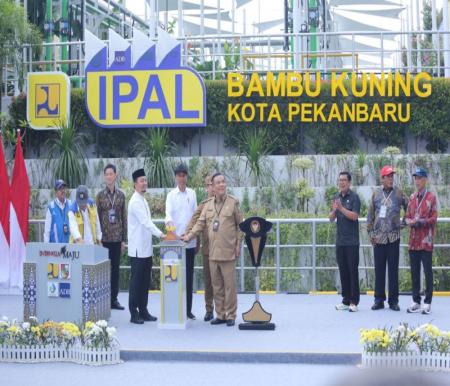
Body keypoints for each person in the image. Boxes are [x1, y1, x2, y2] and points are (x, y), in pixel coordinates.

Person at [181, 173, 243, 327]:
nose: (221, 185)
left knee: (229, 286)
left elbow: (240, 226)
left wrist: (238, 245)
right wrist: (188, 236)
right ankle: (220, 314)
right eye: (218, 183)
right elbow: (200, 224)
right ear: (213, 187)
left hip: (228, 252)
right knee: (216, 286)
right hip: (213, 253)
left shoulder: (233, 203)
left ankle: (231, 315)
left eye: (223, 182)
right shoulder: (207, 206)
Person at [367, 165, 408, 311]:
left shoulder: (399, 193)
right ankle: (379, 300)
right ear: (382, 178)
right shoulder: (376, 194)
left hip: (393, 237)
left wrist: (403, 223)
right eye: (388, 176)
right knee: (379, 271)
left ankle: (393, 301)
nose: (391, 179)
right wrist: (371, 234)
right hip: (378, 238)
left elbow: (409, 207)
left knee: (393, 270)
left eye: (392, 176)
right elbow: (370, 216)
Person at [128, 168, 165, 324]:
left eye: (145, 180)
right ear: (135, 184)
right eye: (141, 181)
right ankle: (133, 313)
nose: (144, 183)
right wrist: (162, 235)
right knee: (136, 283)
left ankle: (143, 310)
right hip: (137, 250)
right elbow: (146, 223)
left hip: (146, 249)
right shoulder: (135, 201)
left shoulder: (143, 199)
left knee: (144, 282)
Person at [165, 163, 198, 320]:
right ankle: (176, 309)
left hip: (190, 241)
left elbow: (196, 216)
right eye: (178, 175)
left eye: (183, 175)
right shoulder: (171, 195)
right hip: (175, 244)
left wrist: (194, 237)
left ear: (186, 176)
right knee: (175, 277)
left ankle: (188, 310)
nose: (181, 178)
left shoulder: (192, 193)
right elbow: (168, 215)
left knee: (189, 277)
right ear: (176, 177)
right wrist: (172, 229)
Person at [405, 167, 438, 315]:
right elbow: (407, 216)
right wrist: (408, 222)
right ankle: (416, 301)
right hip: (413, 241)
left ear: (425, 180)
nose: (417, 181)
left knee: (427, 271)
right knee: (414, 272)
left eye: (419, 178)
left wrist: (421, 222)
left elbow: (434, 218)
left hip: (426, 241)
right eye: (415, 178)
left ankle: (428, 302)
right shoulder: (412, 198)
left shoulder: (431, 197)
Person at [96, 164, 127, 311]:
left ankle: (114, 299)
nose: (109, 176)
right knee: (104, 271)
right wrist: (98, 239)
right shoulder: (100, 196)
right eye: (106, 174)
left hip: (117, 239)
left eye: (111, 174)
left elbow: (123, 218)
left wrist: (123, 240)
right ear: (104, 177)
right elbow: (96, 218)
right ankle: (104, 299)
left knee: (115, 271)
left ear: (115, 176)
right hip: (104, 240)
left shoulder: (121, 195)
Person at [329, 172, 361, 313]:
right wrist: (335, 211)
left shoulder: (354, 198)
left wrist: (342, 208)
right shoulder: (336, 197)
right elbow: (331, 218)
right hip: (340, 241)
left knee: (352, 271)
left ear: (349, 182)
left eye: (344, 180)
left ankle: (354, 301)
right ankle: (345, 300)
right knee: (343, 272)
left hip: (352, 241)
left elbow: (354, 216)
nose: (341, 182)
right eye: (339, 180)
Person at [186, 175, 215, 322]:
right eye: (209, 185)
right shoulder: (203, 205)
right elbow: (194, 220)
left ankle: (226, 312)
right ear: (206, 187)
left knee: (224, 282)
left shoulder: (227, 202)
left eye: (213, 184)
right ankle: (209, 309)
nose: (212, 187)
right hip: (208, 250)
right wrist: (187, 234)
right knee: (208, 282)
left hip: (223, 249)